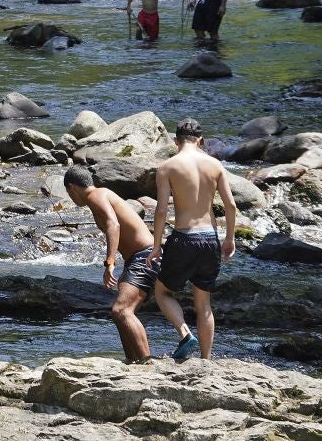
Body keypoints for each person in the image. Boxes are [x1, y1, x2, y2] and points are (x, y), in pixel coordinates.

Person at [145, 118, 237, 362]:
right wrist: (229, 238)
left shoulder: (167, 167)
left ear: (176, 141)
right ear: (201, 140)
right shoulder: (215, 165)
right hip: (210, 238)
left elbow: (162, 210)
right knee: (203, 303)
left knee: (163, 292)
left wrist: (156, 247)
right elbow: (231, 205)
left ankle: (185, 333)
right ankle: (206, 360)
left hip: (184, 238)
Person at [64, 165, 159, 363]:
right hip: (141, 257)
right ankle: (132, 362)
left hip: (145, 256)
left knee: (121, 310)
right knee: (120, 313)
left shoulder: (96, 195)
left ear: (72, 188)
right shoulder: (101, 194)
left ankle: (147, 365)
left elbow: (113, 224)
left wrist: (110, 261)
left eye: (69, 194)